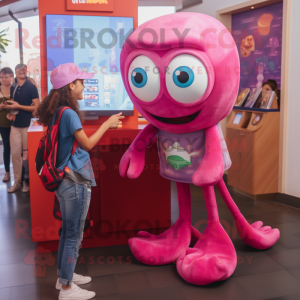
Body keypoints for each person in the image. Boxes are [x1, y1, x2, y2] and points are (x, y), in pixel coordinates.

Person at [36, 63, 124, 300]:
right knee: (74, 233)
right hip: (75, 181)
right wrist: (107, 124)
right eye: (81, 81)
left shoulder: (58, 113)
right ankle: (66, 289)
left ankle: (65, 276)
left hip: (64, 182)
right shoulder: (70, 113)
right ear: (70, 85)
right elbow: (87, 144)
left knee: (67, 231)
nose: (84, 85)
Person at [3, 64, 40, 193]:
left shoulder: (31, 87)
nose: (22, 71)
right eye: (20, 70)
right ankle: (17, 182)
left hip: (28, 126)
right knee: (15, 155)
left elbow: (36, 107)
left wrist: (19, 106)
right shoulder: (13, 87)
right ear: (16, 72)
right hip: (15, 126)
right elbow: (14, 104)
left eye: (24, 70)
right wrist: (11, 112)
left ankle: (27, 182)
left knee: (27, 157)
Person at [0, 67, 14, 182]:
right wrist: (2, 107)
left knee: (18, 149)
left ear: (11, 77)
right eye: (1, 77)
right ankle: (7, 172)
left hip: (17, 124)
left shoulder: (15, 89)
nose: (3, 79)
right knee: (6, 147)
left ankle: (21, 175)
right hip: (3, 124)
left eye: (5, 77)